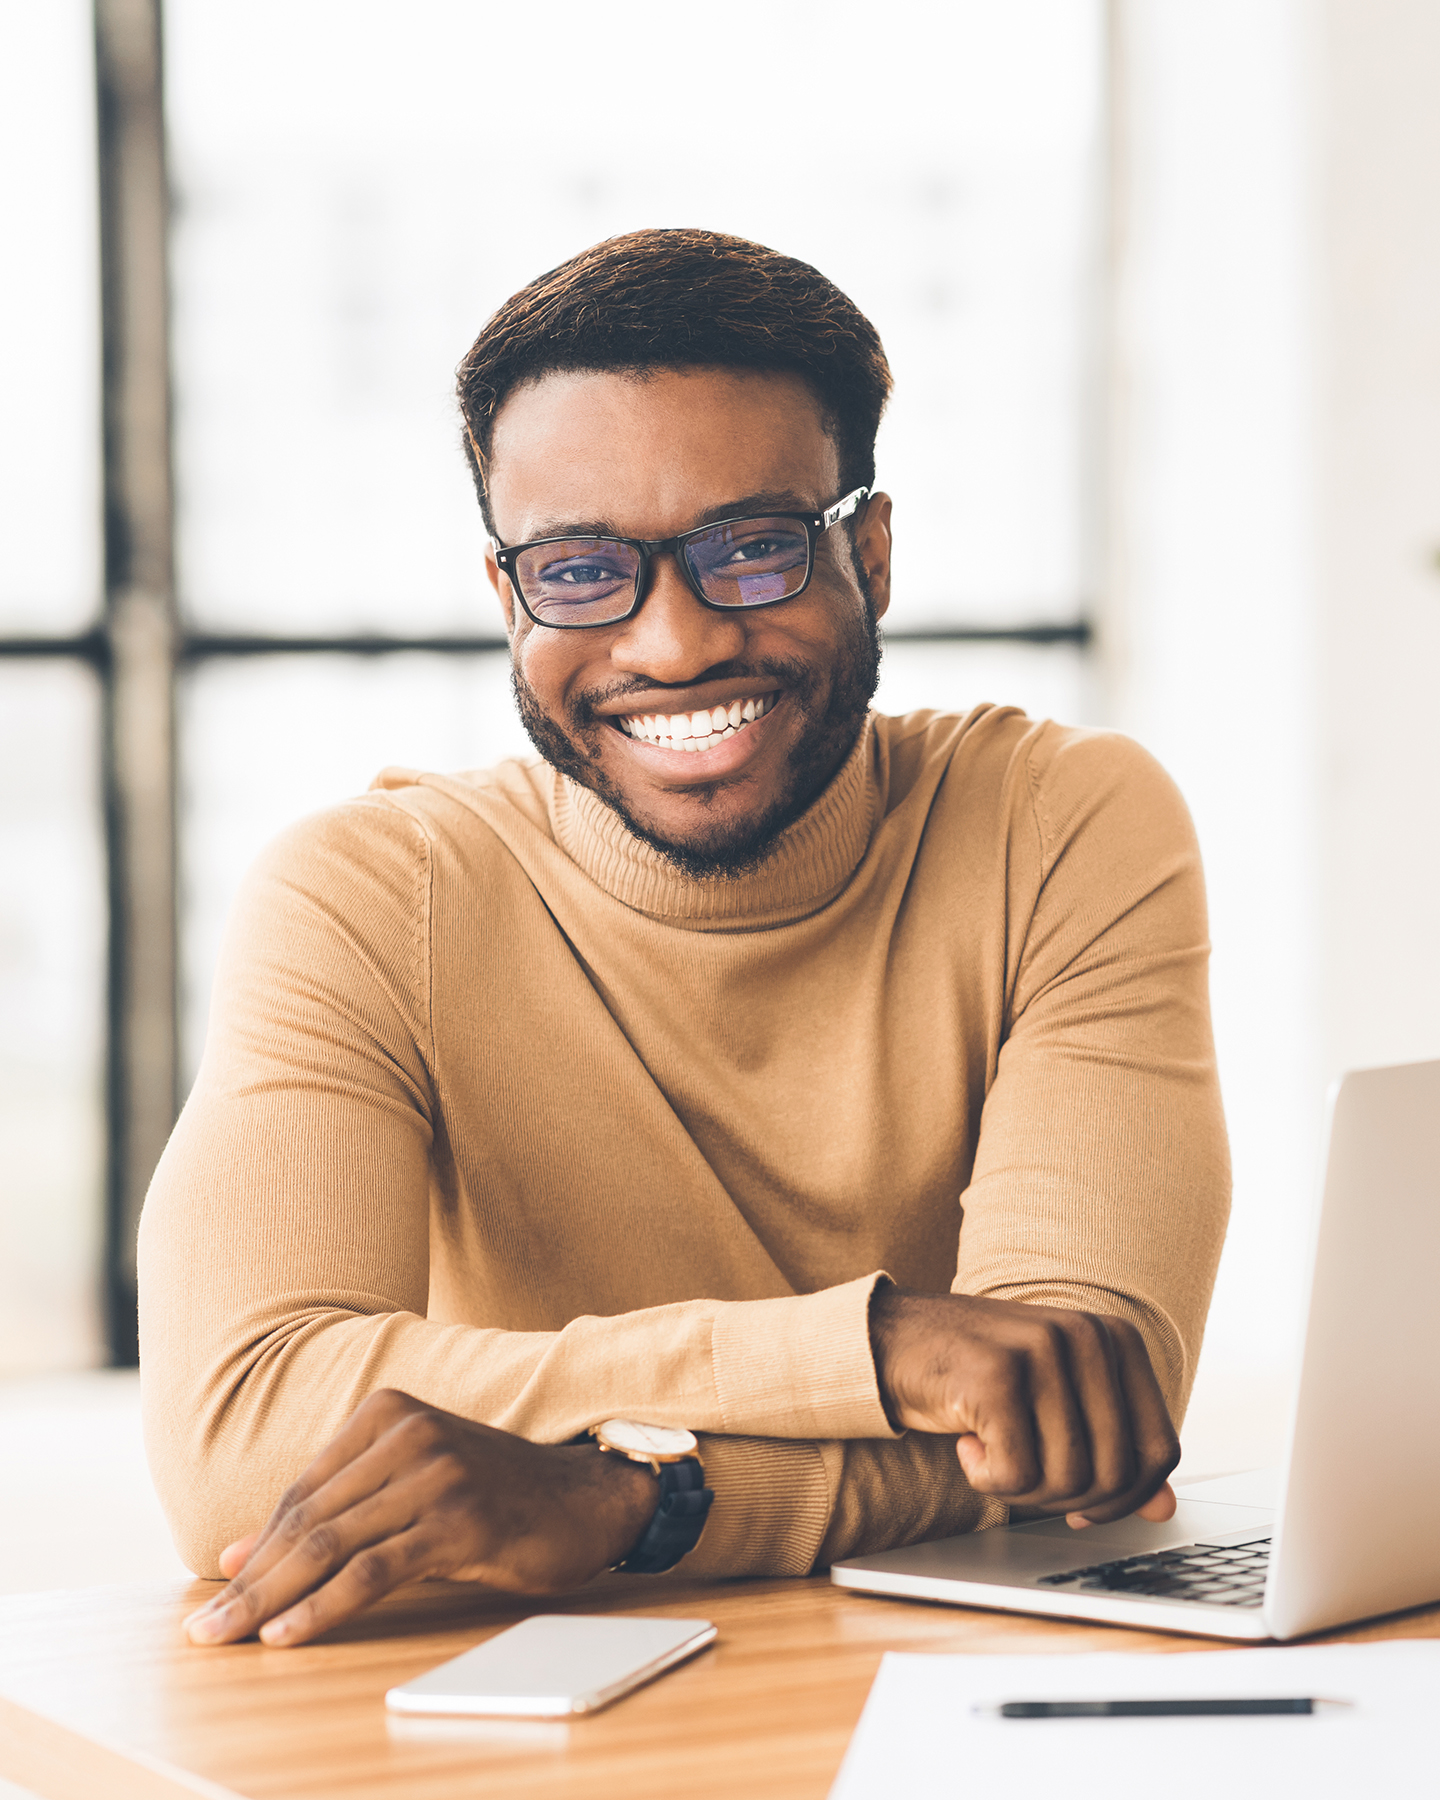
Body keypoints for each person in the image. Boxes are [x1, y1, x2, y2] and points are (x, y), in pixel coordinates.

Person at [140, 228, 1230, 1651]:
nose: (670, 645)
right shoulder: (367, 895)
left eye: (754, 550)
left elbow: (1074, 1425)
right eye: (583, 572)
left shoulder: (1062, 825)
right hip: (525, 1721)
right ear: (507, 599)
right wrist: (878, 1350)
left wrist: (625, 1503)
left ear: (874, 553)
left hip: (960, 1690)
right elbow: (240, 1445)